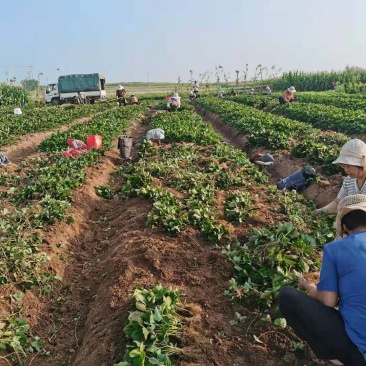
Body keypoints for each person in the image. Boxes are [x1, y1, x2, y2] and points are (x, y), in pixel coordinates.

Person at [279, 194, 366, 366]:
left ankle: (333, 357)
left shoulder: (335, 248)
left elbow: (328, 301)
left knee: (287, 295)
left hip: (358, 353)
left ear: (344, 226)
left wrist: (307, 286)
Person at [313, 139, 366, 216]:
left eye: (348, 166)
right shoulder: (348, 180)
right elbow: (338, 203)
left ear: (362, 163)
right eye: (344, 166)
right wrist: (320, 211)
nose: (346, 170)